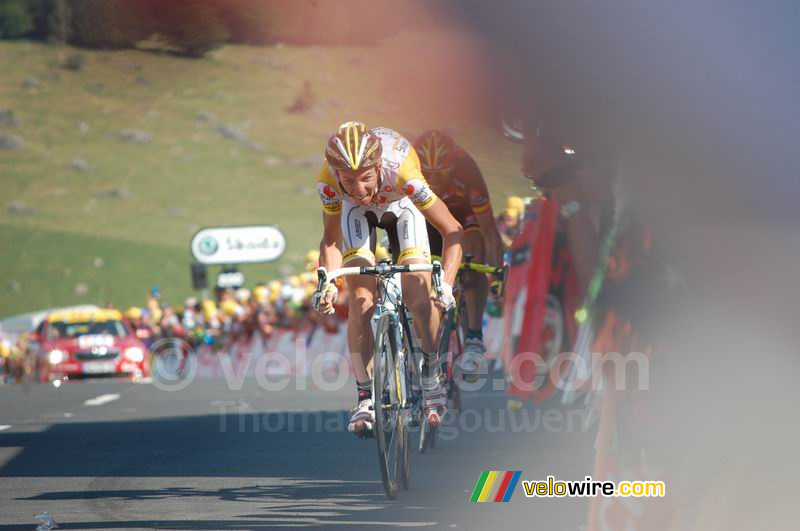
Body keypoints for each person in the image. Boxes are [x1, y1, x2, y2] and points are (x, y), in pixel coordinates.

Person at [313, 121, 463, 434]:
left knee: (420, 298)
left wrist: (446, 285)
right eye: (348, 181)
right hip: (356, 216)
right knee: (360, 300)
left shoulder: (403, 174)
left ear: (378, 167)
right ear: (336, 173)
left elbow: (452, 230)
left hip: (402, 208)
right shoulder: (328, 181)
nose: (358, 189)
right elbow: (330, 241)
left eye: (365, 178)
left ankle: (432, 373)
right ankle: (365, 398)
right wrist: (326, 283)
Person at [413, 130, 504, 374]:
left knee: (474, 255)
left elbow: (489, 231)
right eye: (427, 173)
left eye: (439, 173)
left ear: (452, 167)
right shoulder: (408, 170)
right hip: (426, 219)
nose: (432, 179)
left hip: (462, 216)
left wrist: (496, 277)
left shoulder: (467, 172)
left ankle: (474, 336)